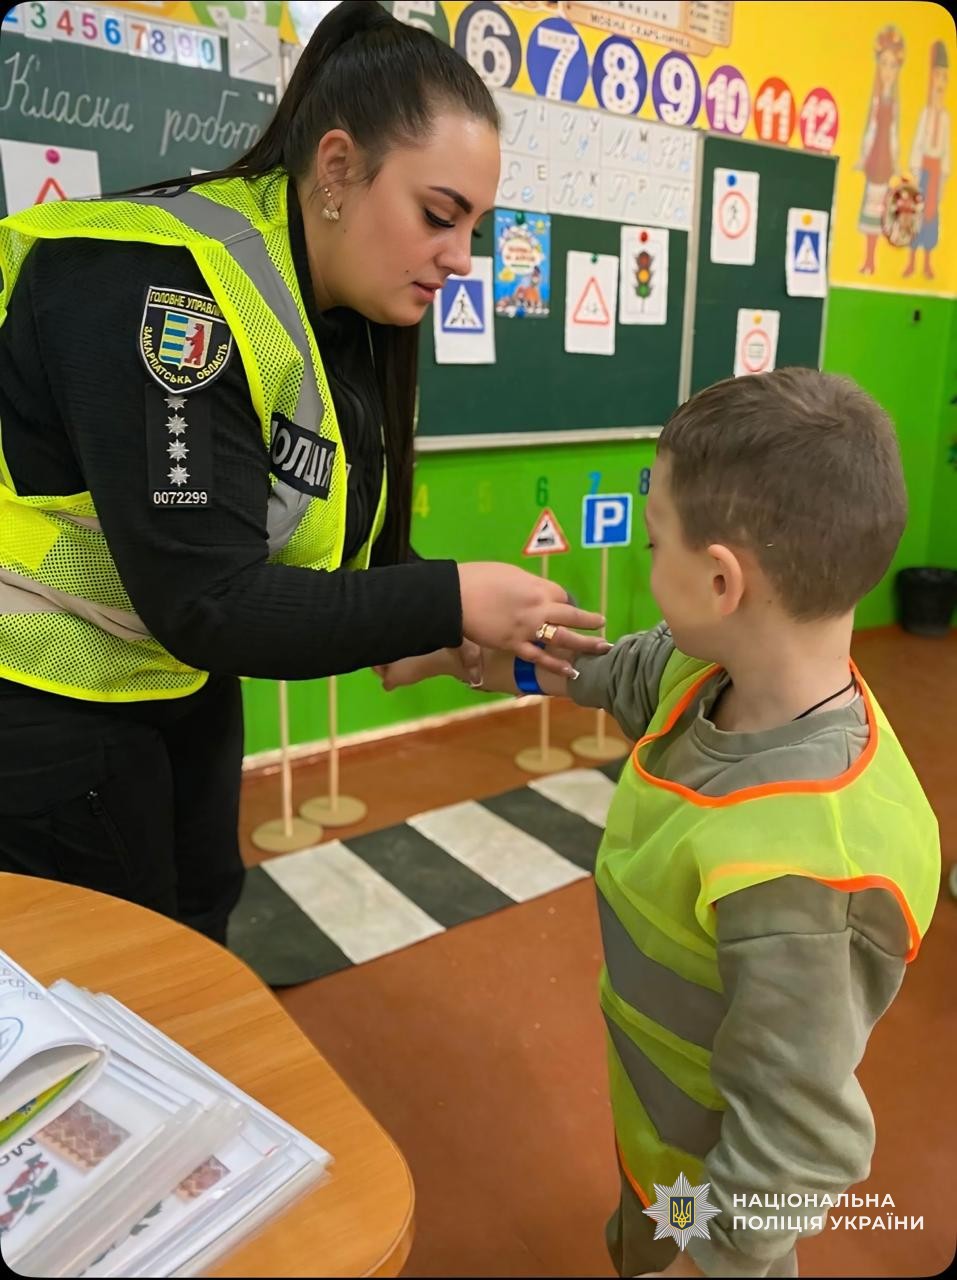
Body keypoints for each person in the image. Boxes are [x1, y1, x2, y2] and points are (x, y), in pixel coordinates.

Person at [0, 1, 606, 944]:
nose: (460, 259)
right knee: (119, 972)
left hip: (177, 679)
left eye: (476, 229)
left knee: (202, 912)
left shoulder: (339, 313)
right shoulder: (162, 286)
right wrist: (450, 598)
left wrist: (440, 634)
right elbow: (208, 598)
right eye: (438, 216)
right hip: (47, 694)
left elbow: (333, 557)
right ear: (336, 168)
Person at [375, 368, 941, 1279]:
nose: (645, 560)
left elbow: (796, 1146)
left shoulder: (805, 872)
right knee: (640, 1235)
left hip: (713, 1202)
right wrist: (453, 654)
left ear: (718, 580)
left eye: (652, 541)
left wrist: (698, 1265)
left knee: (661, 1250)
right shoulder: (707, 672)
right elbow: (599, 670)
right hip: (660, 1145)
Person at [856, 25, 905, 275]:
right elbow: (870, 130)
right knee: (870, 206)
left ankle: (872, 260)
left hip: (885, 162)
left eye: (893, 65)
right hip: (874, 159)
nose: (888, 71)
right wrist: (863, 156)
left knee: (880, 210)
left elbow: (893, 134)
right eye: (884, 63)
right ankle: (868, 259)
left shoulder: (893, 102)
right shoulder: (875, 100)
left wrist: (896, 163)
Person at [904, 40, 950, 280]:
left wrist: (941, 178)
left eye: (944, 78)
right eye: (937, 77)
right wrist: (915, 173)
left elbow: (946, 151)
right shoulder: (925, 114)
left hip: (935, 172)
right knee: (916, 217)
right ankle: (911, 260)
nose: (940, 84)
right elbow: (917, 145)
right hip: (922, 171)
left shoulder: (946, 119)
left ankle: (927, 262)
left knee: (932, 218)